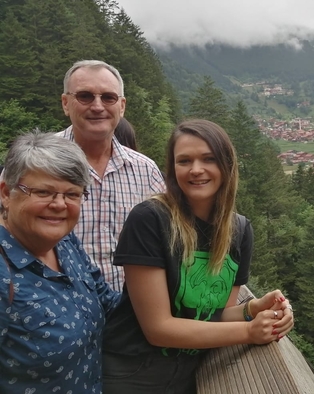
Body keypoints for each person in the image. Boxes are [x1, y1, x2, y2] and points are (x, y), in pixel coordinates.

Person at [103, 119, 294, 394]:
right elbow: (158, 328)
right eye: (184, 161)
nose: (196, 170)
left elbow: (213, 316)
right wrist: (249, 331)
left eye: (208, 159)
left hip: (187, 379)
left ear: (227, 165)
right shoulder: (150, 220)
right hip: (129, 377)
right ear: (173, 168)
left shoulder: (238, 231)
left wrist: (252, 309)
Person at [0, 131, 120, 393]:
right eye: (43, 191)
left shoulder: (65, 244)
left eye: (72, 194)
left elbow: (109, 304)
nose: (59, 205)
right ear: (6, 193)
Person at [60, 60, 165, 290]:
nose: (98, 106)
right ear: (66, 103)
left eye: (108, 97)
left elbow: (166, 241)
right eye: (85, 96)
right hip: (56, 317)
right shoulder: (35, 163)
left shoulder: (146, 171)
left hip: (132, 315)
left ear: (122, 106)